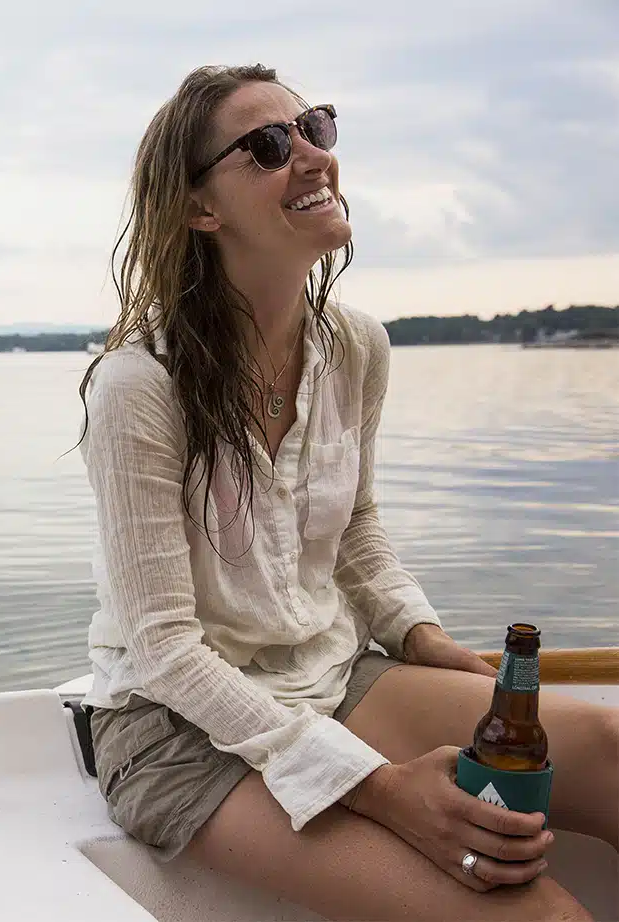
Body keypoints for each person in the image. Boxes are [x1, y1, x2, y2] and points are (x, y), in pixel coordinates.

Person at [75, 63, 617, 921]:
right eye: (267, 146)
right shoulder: (139, 385)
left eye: (316, 128)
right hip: (179, 730)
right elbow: (166, 649)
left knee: (614, 749)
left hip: (332, 675)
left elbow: (355, 528)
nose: (311, 156)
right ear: (200, 209)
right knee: (538, 915)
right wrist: (378, 786)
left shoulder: (357, 346)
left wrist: (426, 638)